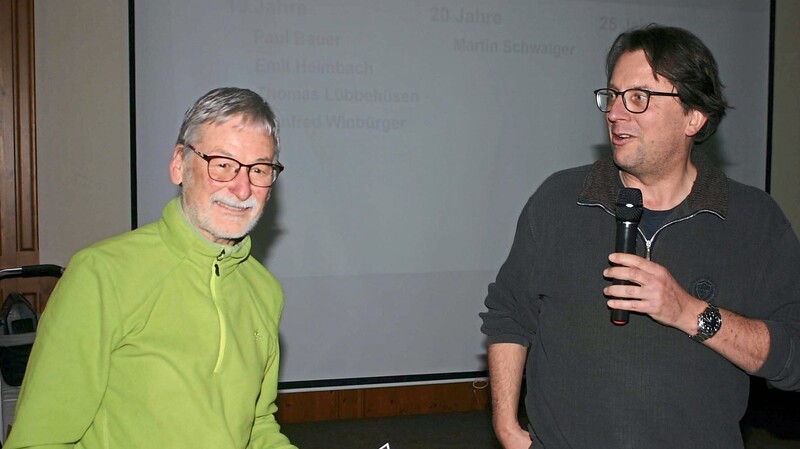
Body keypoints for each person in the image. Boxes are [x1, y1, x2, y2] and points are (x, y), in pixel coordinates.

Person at [480, 25, 800, 449]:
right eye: (611, 96)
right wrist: (506, 426)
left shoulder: (754, 221)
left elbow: (793, 356)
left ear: (694, 116)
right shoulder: (559, 200)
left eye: (638, 98)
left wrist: (687, 311)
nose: (615, 113)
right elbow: (509, 314)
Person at [5, 88, 298, 449]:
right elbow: (38, 441)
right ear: (179, 165)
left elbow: (257, 425)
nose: (242, 188)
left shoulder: (265, 290)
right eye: (223, 164)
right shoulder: (101, 275)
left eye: (259, 169)